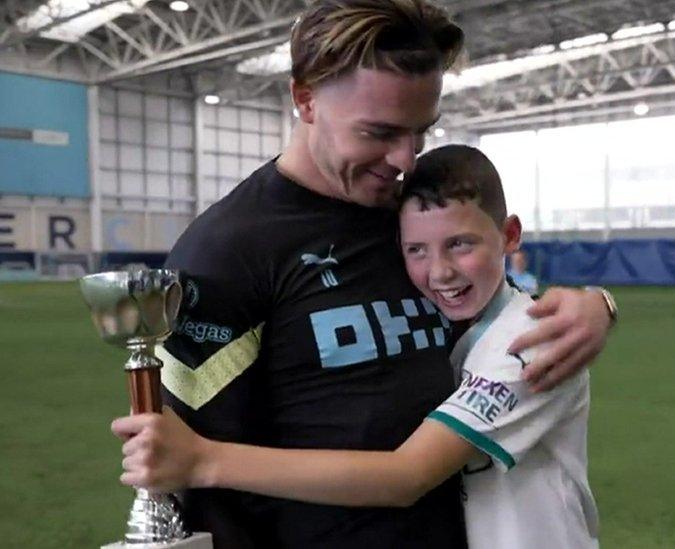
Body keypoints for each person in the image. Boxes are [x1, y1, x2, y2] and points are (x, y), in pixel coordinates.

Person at [147, 2, 614, 547]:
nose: (404, 160)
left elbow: (490, 310)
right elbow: (188, 469)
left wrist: (597, 304)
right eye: (379, 132)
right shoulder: (226, 252)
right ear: (305, 99)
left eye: (421, 132)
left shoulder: (410, 217)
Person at [113, 145, 600, 549]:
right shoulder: (462, 323)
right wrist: (603, 304)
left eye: (461, 245)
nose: (440, 272)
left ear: (510, 236)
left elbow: (406, 475)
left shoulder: (531, 342)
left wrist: (204, 460)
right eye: (417, 250)